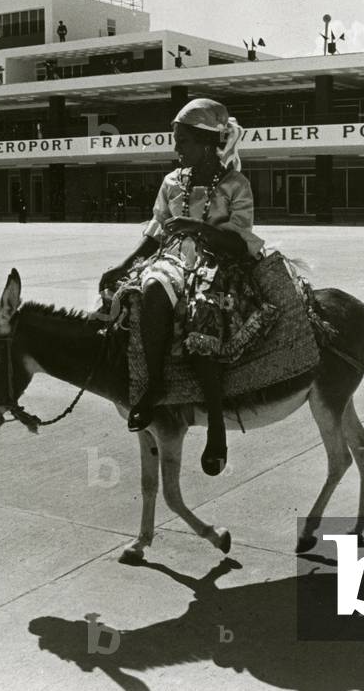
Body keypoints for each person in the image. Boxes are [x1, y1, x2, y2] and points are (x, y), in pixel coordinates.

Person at [99, 98, 274, 476]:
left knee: (203, 310)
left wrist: (199, 229)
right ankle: (155, 385)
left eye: (183, 141)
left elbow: (239, 240)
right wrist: (123, 265)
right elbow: (155, 232)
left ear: (207, 142)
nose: (176, 149)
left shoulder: (235, 184)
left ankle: (215, 425)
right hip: (173, 258)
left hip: (221, 262)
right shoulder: (171, 182)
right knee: (149, 290)